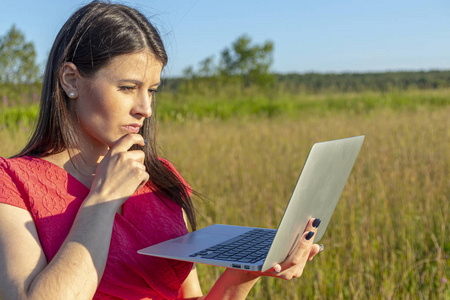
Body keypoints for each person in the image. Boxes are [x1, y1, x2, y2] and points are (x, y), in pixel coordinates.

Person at [0, 1, 324, 299]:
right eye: (127, 88)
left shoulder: (160, 178)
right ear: (71, 80)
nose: (145, 108)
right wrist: (101, 202)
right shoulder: (12, 183)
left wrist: (246, 270)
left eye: (151, 90)